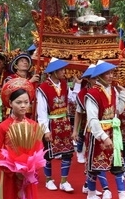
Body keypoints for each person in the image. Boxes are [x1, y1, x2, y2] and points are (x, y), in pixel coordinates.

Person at [85, 60, 125, 199]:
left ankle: (122, 194)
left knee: (117, 163)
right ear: (99, 76)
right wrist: (103, 136)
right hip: (98, 133)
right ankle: (91, 193)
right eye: (107, 73)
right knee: (95, 165)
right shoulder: (92, 93)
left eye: (111, 73)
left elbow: (119, 110)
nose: (111, 76)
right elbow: (92, 119)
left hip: (114, 131)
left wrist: (123, 94)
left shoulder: (114, 90)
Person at [37, 57, 80, 192]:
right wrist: (45, 130)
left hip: (65, 122)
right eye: (61, 69)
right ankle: (49, 179)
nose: (64, 72)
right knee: (49, 154)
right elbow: (41, 111)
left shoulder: (64, 84)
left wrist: (77, 85)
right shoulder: (43, 88)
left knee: (67, 152)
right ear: (54, 72)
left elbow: (72, 99)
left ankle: (64, 181)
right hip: (51, 123)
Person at [0, 78, 39, 199]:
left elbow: (38, 151)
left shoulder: (34, 125)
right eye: (18, 102)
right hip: (10, 176)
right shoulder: (3, 127)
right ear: (10, 103)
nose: (23, 106)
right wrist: (13, 169)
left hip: (28, 176)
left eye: (26, 102)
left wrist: (30, 168)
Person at [72, 64, 111, 198]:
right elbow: (78, 113)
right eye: (94, 78)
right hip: (87, 128)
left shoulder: (106, 90)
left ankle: (88, 186)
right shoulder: (84, 93)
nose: (96, 81)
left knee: (97, 160)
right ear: (89, 79)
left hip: (102, 129)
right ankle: (103, 188)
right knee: (94, 160)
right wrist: (75, 131)